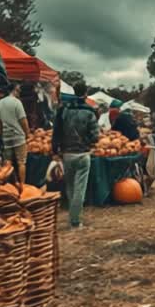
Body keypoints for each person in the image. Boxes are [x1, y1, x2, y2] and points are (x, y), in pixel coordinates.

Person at [53, 82, 99, 228]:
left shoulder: (64, 109)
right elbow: (95, 136)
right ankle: (75, 220)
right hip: (83, 153)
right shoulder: (90, 111)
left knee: (70, 186)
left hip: (67, 153)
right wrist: (89, 141)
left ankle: (73, 217)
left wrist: (55, 150)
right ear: (86, 93)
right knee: (80, 187)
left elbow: (56, 132)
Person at [0, 83, 30, 184]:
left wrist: (0, 133)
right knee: (21, 162)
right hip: (18, 137)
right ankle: (22, 185)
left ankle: (7, 184)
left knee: (7, 163)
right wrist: (27, 133)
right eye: (18, 90)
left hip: (6, 137)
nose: (19, 92)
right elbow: (23, 120)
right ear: (14, 90)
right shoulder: (17, 102)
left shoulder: (0, 103)